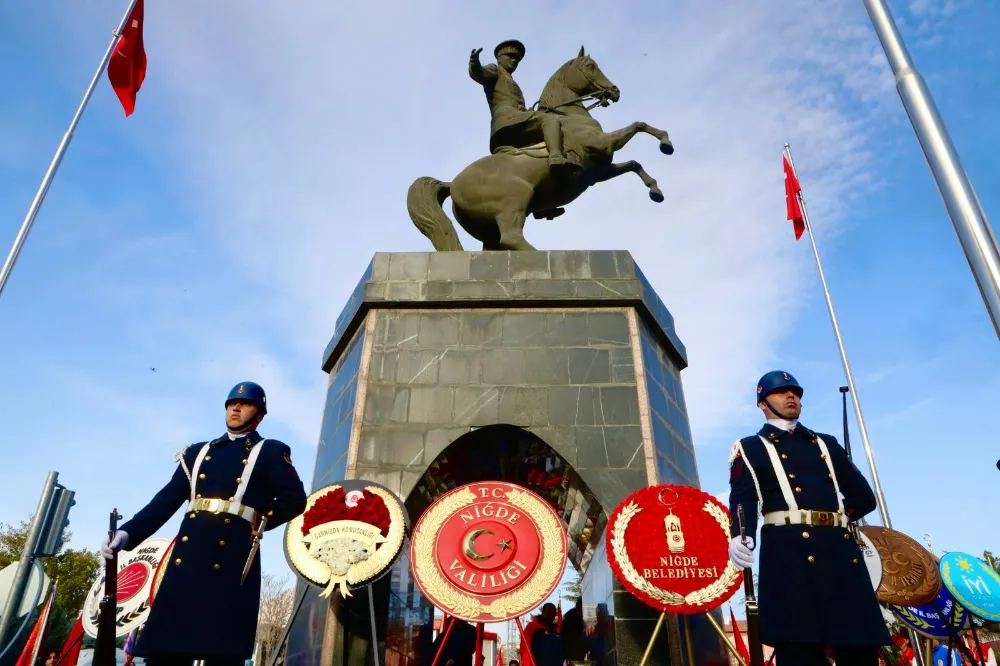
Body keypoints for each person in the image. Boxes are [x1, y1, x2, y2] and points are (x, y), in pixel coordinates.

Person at [100, 382, 308, 666]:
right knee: (167, 653)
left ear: (259, 415)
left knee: (222, 653)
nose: (236, 408)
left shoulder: (270, 451)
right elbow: (166, 500)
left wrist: (262, 520)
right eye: (231, 403)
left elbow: (294, 500)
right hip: (187, 561)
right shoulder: (196, 452)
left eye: (245, 404)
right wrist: (127, 533)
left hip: (233, 559)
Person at [727, 371, 890, 666]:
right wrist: (741, 533)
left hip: (839, 554)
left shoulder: (826, 444)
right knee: (799, 649)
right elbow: (743, 497)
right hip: (790, 556)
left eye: (796, 392)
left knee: (859, 648)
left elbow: (863, 497)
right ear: (762, 403)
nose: (792, 396)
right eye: (782, 392)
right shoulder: (750, 448)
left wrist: (831, 517)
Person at [468, 40, 579, 174]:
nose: (514, 60)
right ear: (499, 58)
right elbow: (479, 73)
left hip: (515, 119)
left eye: (517, 59)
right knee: (550, 120)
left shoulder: (510, 80)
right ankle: (556, 156)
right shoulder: (495, 70)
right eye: (510, 56)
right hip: (507, 119)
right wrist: (474, 62)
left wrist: (527, 112)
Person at [561, 598, 587, 663]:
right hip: (570, 655)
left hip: (580, 653)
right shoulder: (568, 620)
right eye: (581, 610)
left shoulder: (582, 620)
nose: (582, 613)